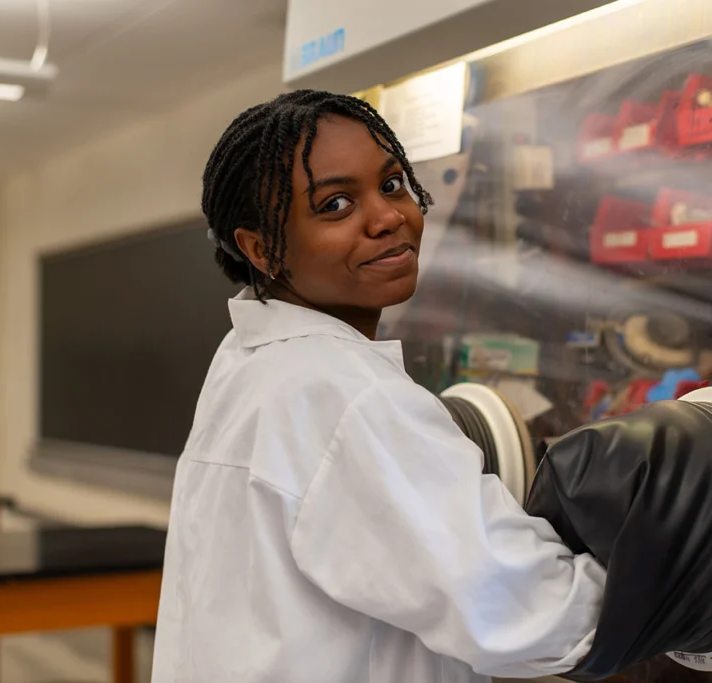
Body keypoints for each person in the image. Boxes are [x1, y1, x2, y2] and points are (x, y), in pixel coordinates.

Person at [150, 90, 606, 683]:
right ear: (261, 249)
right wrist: (674, 568)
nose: (388, 217)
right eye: (335, 204)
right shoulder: (347, 396)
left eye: (392, 184)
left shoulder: (247, 359)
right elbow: (531, 615)